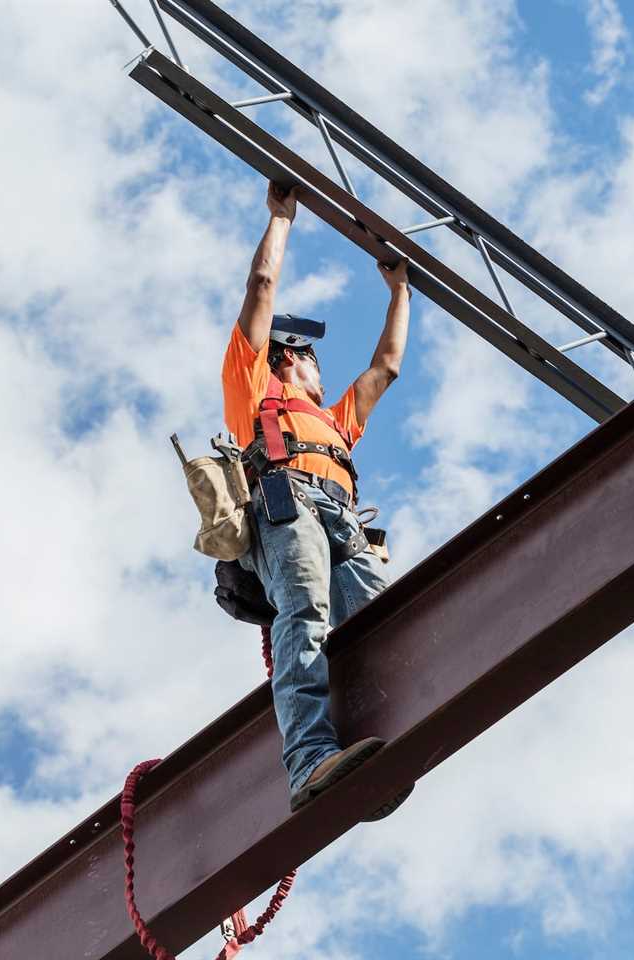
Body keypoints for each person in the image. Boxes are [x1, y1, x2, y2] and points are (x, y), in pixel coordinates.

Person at [222, 181, 412, 815]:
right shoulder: (252, 388)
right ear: (289, 358)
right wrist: (280, 219)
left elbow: (385, 367)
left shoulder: (335, 421)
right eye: (309, 357)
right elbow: (262, 291)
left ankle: (397, 724)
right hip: (287, 503)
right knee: (303, 611)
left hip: (339, 514)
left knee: (381, 615)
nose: (318, 368)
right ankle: (310, 760)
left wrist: (400, 293)